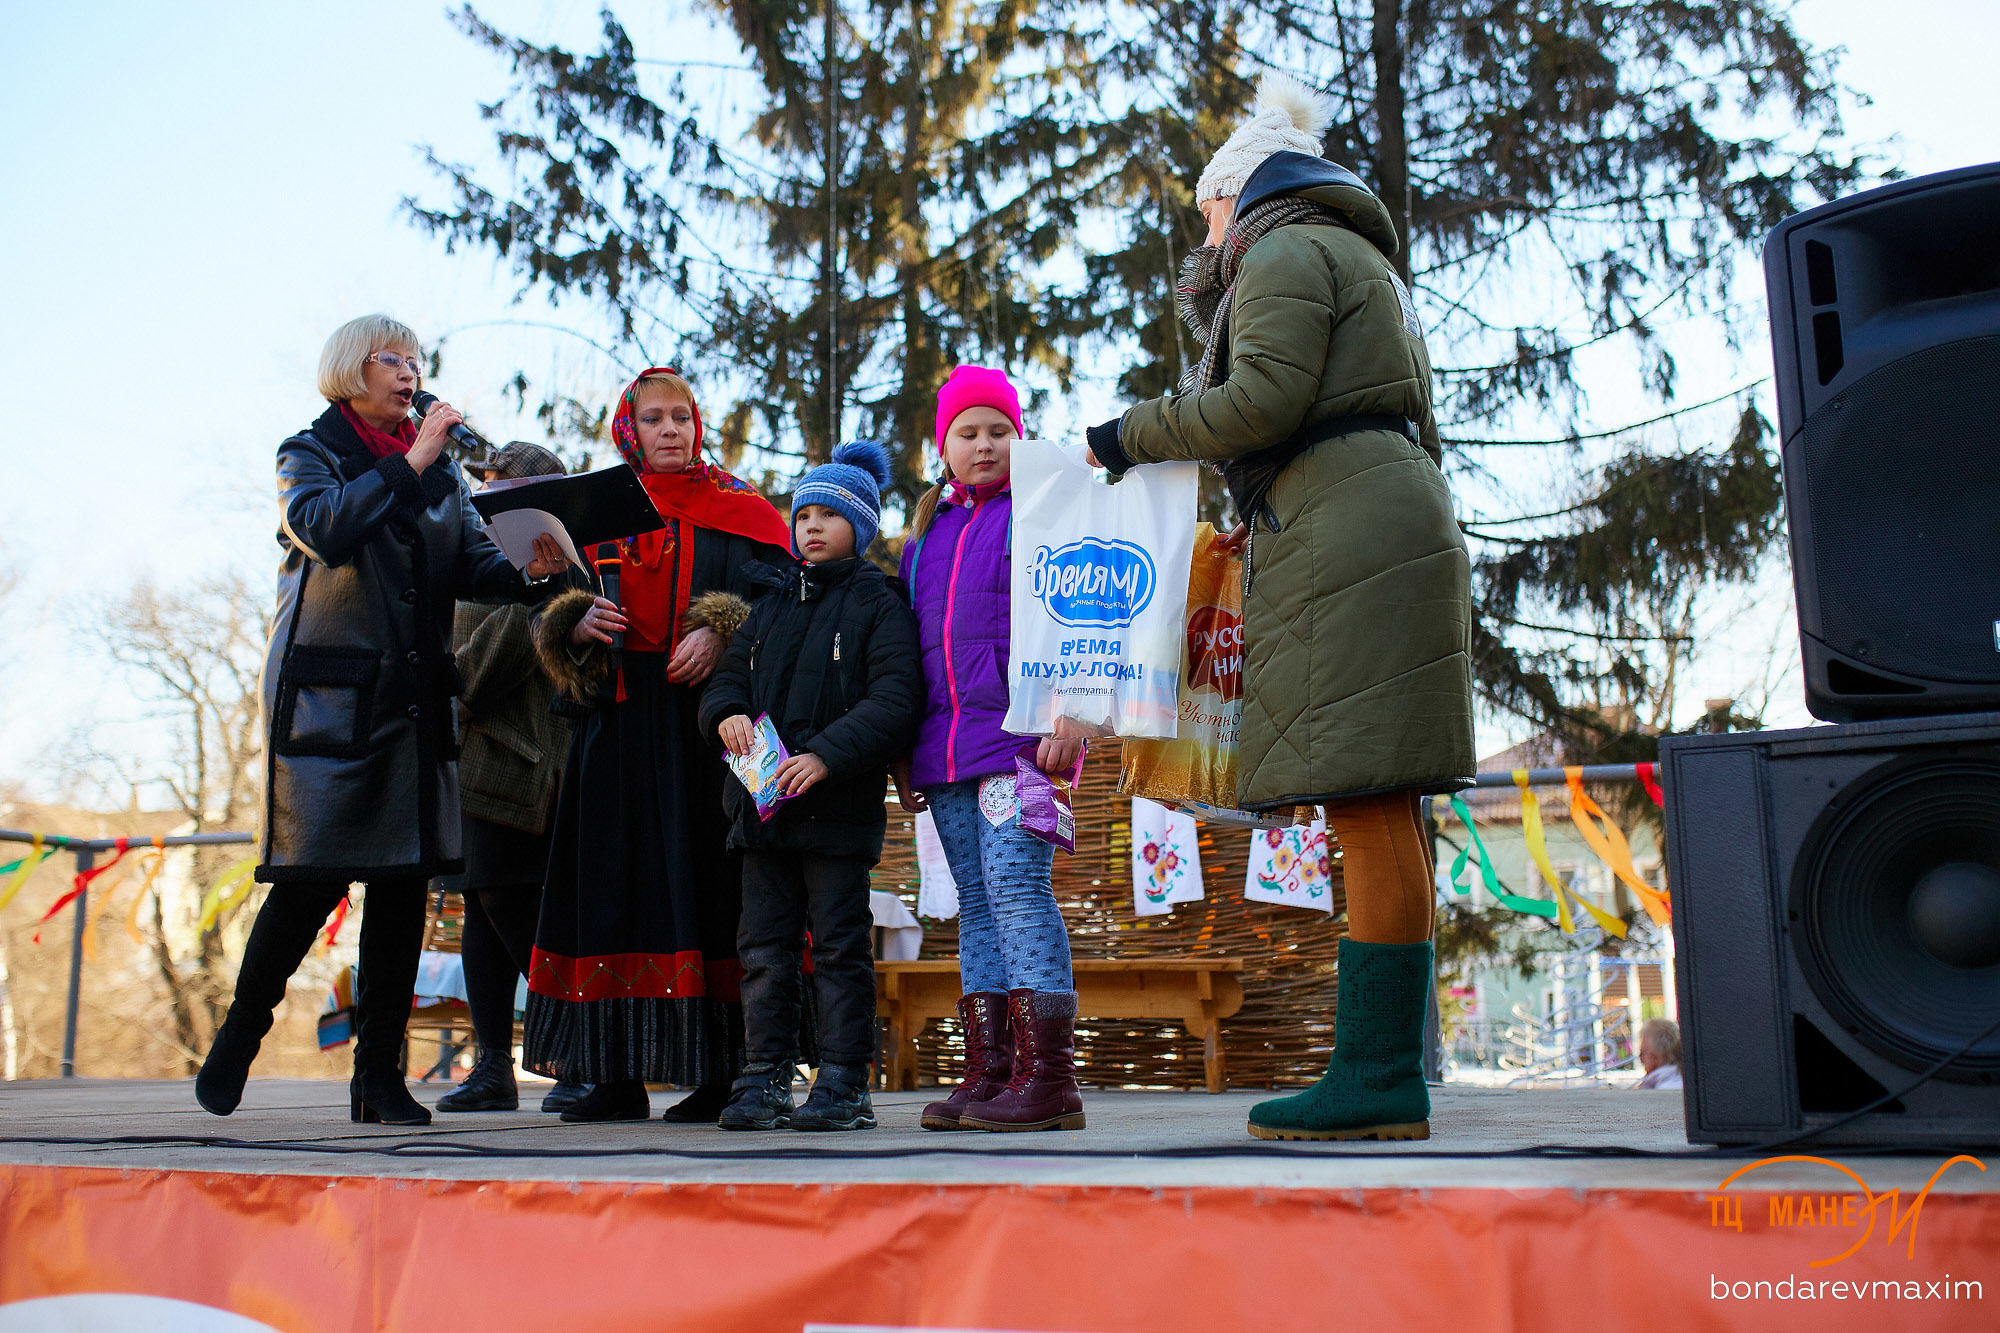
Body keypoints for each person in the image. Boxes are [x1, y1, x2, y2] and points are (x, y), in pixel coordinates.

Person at [1083, 74, 1475, 1142]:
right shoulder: (1355, 258)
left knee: (1366, 802)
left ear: (1239, 197)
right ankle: (1382, 1071)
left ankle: (1378, 1077)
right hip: (1357, 513)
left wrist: (1123, 436)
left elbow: (1256, 400)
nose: (1203, 237)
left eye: (1208, 212)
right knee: (1380, 809)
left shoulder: (1285, 251)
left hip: (1345, 526)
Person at [197, 315, 570, 1125]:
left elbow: (473, 565)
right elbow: (327, 528)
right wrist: (412, 461)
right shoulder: (310, 452)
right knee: (308, 881)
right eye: (392, 360)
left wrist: (536, 573)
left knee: (403, 891)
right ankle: (238, 1034)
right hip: (332, 702)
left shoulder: (440, 476)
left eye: (417, 362)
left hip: (414, 701)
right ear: (350, 370)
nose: (410, 374)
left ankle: (379, 1080)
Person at [526, 368, 793, 1124]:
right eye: (654, 419)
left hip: (709, 724)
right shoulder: (592, 508)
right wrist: (571, 621)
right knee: (613, 888)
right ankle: (612, 1074)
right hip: (615, 722)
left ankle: (721, 1073)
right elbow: (548, 601)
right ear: (629, 430)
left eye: (682, 416)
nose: (670, 429)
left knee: (714, 887)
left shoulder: (741, 507)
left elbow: (783, 593)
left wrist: (722, 627)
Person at [700, 442, 925, 1131]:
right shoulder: (766, 604)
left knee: (838, 949)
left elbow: (895, 698)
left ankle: (844, 1081)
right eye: (804, 514)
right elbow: (725, 681)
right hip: (762, 816)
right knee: (762, 948)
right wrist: (727, 714)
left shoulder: (879, 603)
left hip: (837, 814)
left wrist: (826, 755)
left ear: (862, 523)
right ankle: (764, 1075)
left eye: (831, 514)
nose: (812, 526)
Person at [901, 367, 1088, 1134]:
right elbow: (907, 652)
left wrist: (1077, 708)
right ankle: (991, 1071)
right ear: (943, 446)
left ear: (1020, 438)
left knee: (1016, 891)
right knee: (975, 904)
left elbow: (1086, 608)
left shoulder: (1044, 516)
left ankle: (1050, 1076)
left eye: (998, 430)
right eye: (968, 432)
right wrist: (901, 755)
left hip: (1022, 743)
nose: (984, 444)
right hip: (944, 753)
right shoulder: (921, 539)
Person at [437, 442, 589, 1115]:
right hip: (479, 762)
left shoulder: (574, 565)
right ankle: (496, 1062)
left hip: (544, 764)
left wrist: (549, 601)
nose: (489, 499)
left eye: (506, 489)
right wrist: (536, 611)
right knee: (485, 904)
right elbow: (466, 674)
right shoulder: (473, 564)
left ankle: (577, 1051)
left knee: (521, 909)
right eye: (488, 488)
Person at [1634, 1017, 1684, 1090]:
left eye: (1642, 1053)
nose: (1641, 1059)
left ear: (1657, 1055)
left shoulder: (1664, 1088)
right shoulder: (1680, 1080)